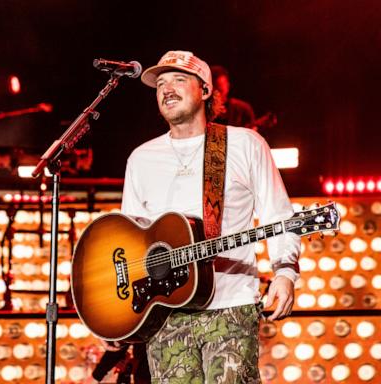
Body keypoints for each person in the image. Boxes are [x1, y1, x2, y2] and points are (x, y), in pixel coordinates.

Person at [120, 50, 301, 383]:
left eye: (179, 79)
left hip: (230, 306)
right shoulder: (141, 159)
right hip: (166, 315)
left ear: (205, 91)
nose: (166, 89)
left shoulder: (245, 144)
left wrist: (285, 271)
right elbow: (129, 240)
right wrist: (118, 312)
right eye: (160, 83)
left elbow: (280, 215)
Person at [210, 64, 256, 129]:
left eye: (220, 91)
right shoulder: (201, 110)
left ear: (228, 86)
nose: (217, 95)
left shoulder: (243, 109)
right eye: (213, 91)